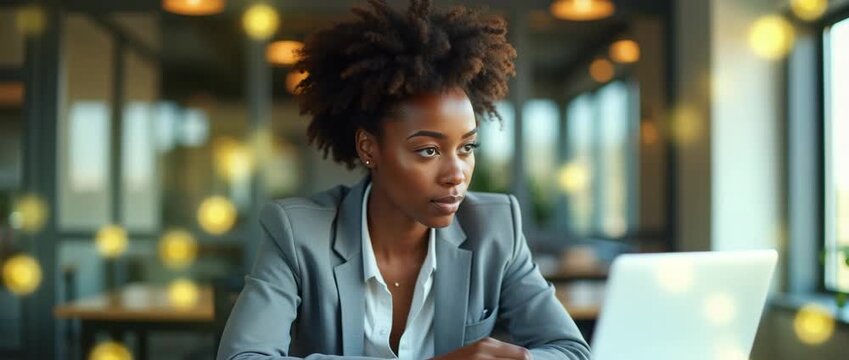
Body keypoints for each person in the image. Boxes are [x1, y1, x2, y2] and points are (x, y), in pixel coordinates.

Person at [218, 1, 590, 359]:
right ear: (369, 148)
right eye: (428, 150)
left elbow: (570, 349)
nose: (456, 174)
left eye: (466, 147)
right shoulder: (299, 234)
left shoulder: (494, 228)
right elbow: (244, 356)